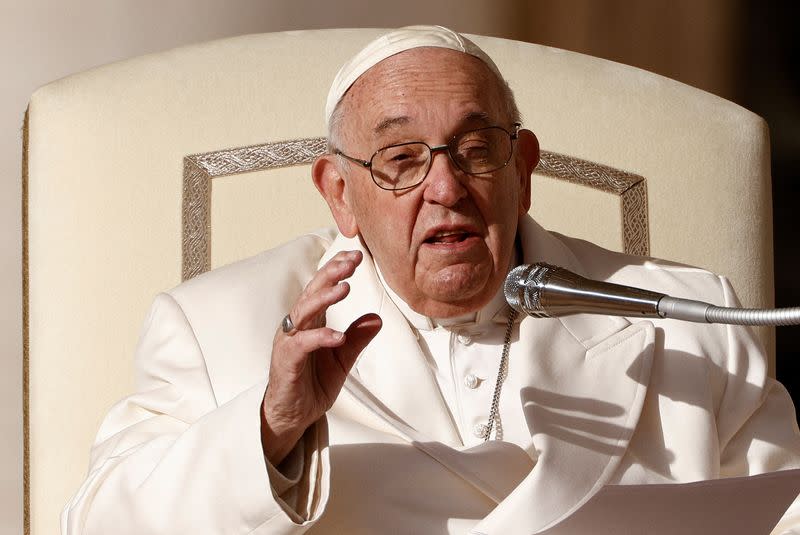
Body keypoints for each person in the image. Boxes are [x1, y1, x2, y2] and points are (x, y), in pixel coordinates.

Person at [62, 26, 800, 534]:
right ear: (339, 194)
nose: (445, 186)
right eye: (401, 159)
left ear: (523, 170)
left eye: (475, 149)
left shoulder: (695, 322)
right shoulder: (218, 326)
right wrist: (272, 426)